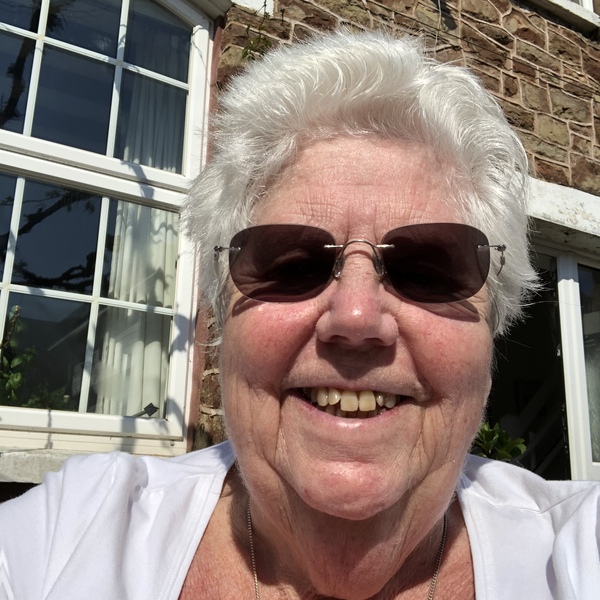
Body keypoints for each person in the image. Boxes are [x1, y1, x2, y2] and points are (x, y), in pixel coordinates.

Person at [0, 29, 598, 600]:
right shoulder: (68, 539)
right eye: (291, 264)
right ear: (221, 319)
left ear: (492, 332)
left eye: (427, 269)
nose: (356, 316)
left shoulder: (576, 554)